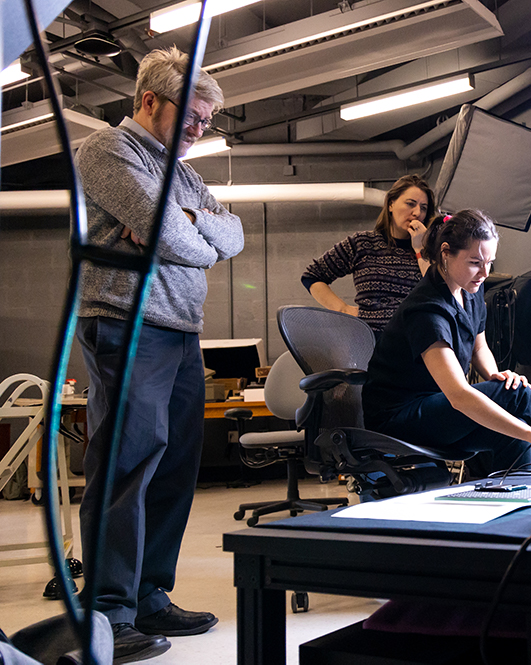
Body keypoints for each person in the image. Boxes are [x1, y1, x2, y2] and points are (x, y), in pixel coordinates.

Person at [74, 47, 243, 663]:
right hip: (125, 322)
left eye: (206, 121)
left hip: (179, 329)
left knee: (174, 465)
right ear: (150, 100)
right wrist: (189, 230)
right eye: (192, 116)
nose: (199, 129)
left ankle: (148, 595)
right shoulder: (109, 151)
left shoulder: (185, 175)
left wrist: (190, 219)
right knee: (128, 465)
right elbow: (180, 240)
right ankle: (107, 611)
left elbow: (233, 237)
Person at [363, 209, 531, 480]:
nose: (484, 273)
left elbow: (479, 347)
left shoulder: (470, 289)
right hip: (399, 418)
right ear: (446, 253)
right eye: (475, 262)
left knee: (511, 410)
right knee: (517, 396)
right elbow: (458, 395)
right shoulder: (426, 310)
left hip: (438, 408)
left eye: (489, 262)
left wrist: (497, 377)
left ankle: (520, 495)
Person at [301, 174, 435, 334]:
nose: (417, 212)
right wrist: (343, 309)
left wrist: (421, 249)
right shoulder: (363, 243)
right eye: (410, 204)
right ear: (391, 204)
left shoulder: (432, 251)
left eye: (423, 208)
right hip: (370, 340)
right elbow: (313, 275)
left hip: (415, 340)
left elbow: (439, 292)